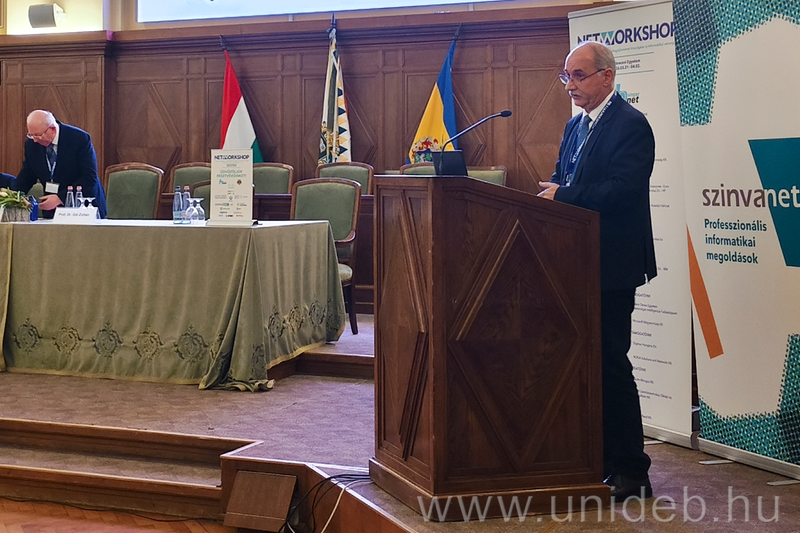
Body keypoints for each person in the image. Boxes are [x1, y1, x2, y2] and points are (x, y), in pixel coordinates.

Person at [537, 41, 657, 499]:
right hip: (574, 262)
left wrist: (564, 196)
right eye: (565, 77)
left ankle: (632, 470)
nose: (570, 86)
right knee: (583, 365)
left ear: (607, 76)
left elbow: (624, 190)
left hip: (612, 265)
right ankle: (599, 460)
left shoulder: (631, 124)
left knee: (610, 363)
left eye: (579, 75)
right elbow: (563, 176)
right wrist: (554, 191)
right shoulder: (575, 125)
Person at [10, 110, 107, 218]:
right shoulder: (31, 145)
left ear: (52, 129)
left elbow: (89, 177)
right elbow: (27, 175)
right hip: (52, 211)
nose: (35, 140)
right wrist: (13, 196)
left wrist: (60, 198)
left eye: (38, 135)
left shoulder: (79, 139)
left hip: (84, 207)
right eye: (31, 135)